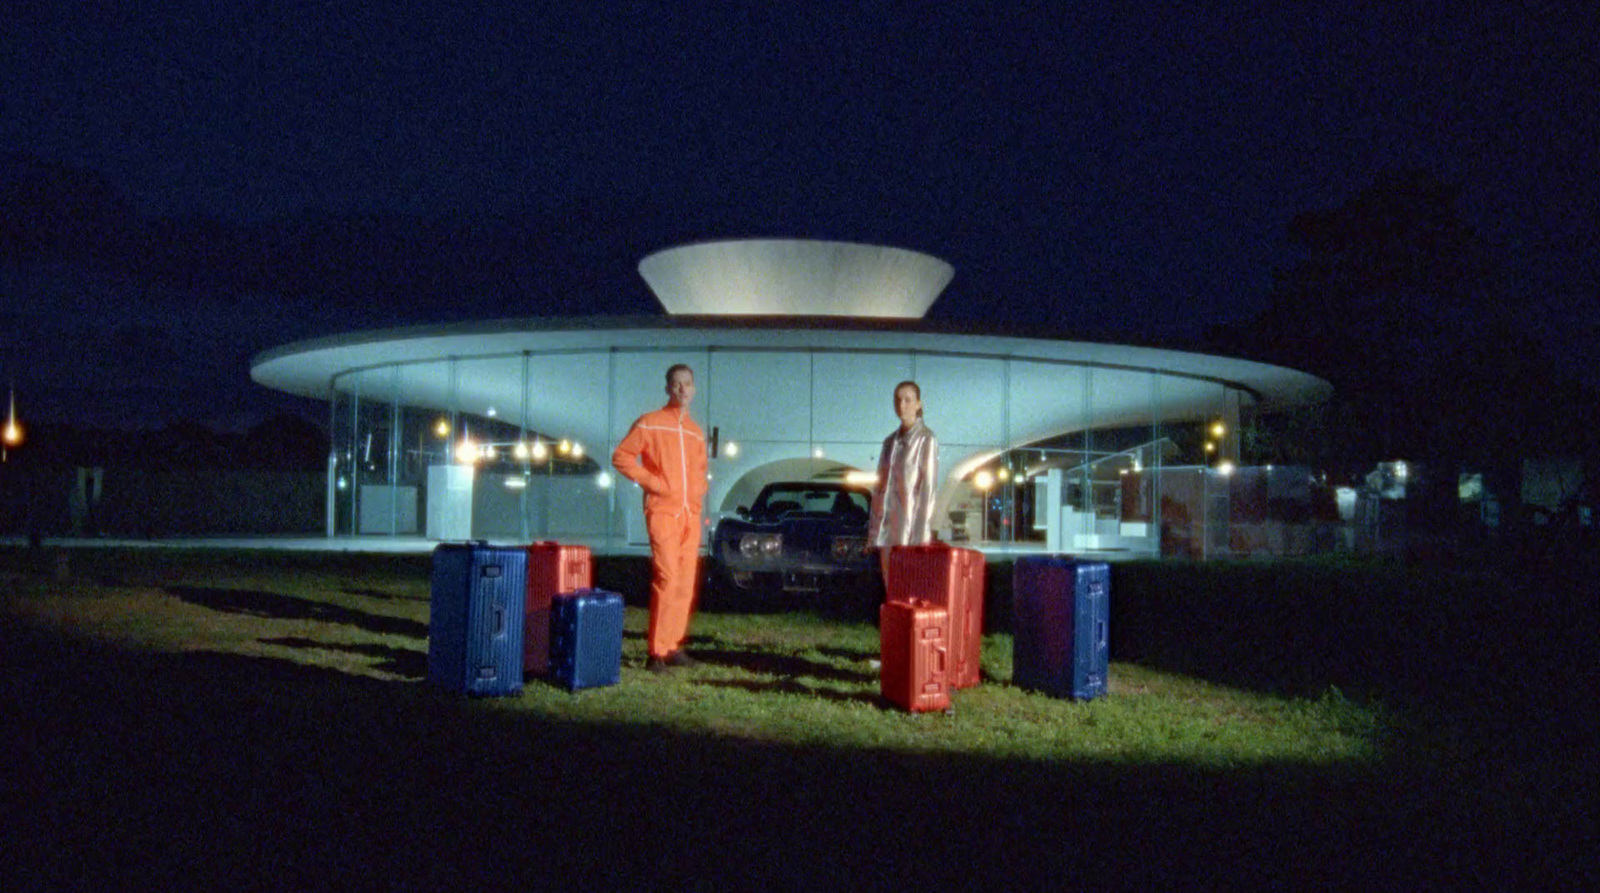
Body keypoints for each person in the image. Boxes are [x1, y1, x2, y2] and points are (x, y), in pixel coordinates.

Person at [612, 363, 709, 673]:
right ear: (668, 388)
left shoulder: (695, 432)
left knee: (684, 582)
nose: (683, 389)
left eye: (688, 384)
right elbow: (622, 456)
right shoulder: (650, 423)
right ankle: (656, 653)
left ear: (694, 389)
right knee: (667, 579)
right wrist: (655, 483)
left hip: (689, 514)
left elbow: (699, 469)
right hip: (664, 512)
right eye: (677, 384)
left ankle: (673, 645)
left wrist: (697, 492)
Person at [867, 380, 939, 590]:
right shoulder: (889, 442)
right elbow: (879, 489)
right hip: (886, 530)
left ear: (918, 404)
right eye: (898, 400)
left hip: (909, 532)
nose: (902, 405)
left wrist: (921, 537)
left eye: (908, 400)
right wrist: (873, 531)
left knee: (909, 588)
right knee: (890, 590)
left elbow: (927, 491)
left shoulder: (927, 439)